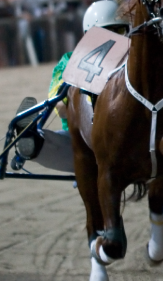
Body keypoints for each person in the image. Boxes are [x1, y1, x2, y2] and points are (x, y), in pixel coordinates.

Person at [12, 0, 130, 172]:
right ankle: (30, 140)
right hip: (85, 144)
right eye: (103, 33)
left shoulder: (134, 63)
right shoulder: (68, 61)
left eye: (117, 30)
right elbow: (62, 109)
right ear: (88, 36)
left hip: (129, 140)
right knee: (48, 144)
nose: (110, 40)